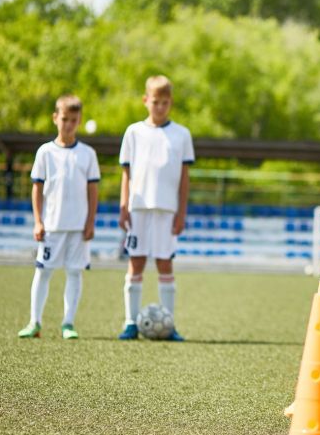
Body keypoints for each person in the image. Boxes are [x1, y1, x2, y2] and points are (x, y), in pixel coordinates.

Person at [117, 75, 194, 341]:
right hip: (138, 208)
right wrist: (123, 204)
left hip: (167, 210)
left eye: (164, 102)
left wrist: (181, 212)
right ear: (145, 100)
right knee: (135, 262)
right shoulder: (133, 132)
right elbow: (126, 172)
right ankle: (130, 322)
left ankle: (169, 324)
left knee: (164, 264)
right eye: (155, 101)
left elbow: (184, 177)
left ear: (170, 103)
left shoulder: (182, 134)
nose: (159, 107)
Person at [17, 95, 100, 340]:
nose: (68, 124)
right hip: (51, 225)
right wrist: (38, 221)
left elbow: (93, 190)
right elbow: (37, 188)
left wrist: (90, 222)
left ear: (79, 121)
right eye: (64, 119)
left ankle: (68, 323)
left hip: (78, 227)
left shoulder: (87, 154)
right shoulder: (45, 152)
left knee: (74, 272)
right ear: (56, 118)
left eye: (74, 120)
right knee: (43, 272)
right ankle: (35, 322)